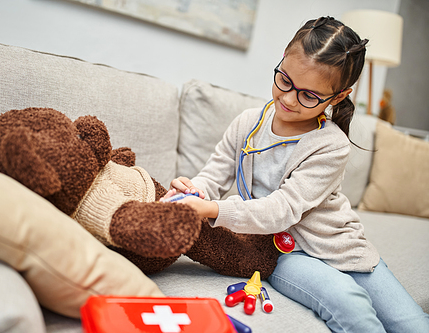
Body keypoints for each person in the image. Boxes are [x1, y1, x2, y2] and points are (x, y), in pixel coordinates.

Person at [161, 16, 429, 333]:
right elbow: (214, 175)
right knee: (351, 305)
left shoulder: (331, 145)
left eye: (308, 95)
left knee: (411, 324)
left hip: (343, 247)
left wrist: (212, 209)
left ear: (340, 96)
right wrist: (195, 190)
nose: (288, 99)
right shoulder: (248, 123)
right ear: (281, 62)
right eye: (284, 80)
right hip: (286, 252)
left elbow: (282, 208)